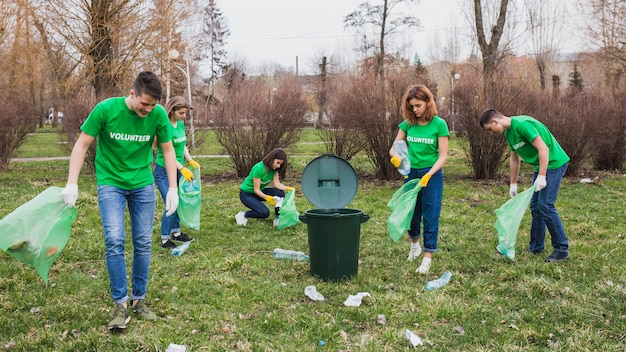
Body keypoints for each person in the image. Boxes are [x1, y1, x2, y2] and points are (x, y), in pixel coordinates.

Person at [60, 71, 180, 330]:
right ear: (132, 93)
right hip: (111, 182)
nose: (148, 109)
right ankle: (121, 304)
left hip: (142, 183)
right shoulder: (106, 110)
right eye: (144, 104)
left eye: (153, 105)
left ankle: (139, 300)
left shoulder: (157, 114)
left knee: (143, 241)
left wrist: (173, 188)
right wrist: (72, 182)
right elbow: (81, 145)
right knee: (114, 239)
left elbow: (168, 150)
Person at [480, 109, 570, 262]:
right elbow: (515, 158)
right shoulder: (509, 133)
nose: (490, 133)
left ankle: (562, 249)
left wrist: (542, 176)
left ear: (495, 121)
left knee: (546, 206)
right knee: (535, 206)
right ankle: (536, 247)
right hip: (541, 166)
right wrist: (513, 183)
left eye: (489, 129)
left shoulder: (522, 125)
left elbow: (543, 148)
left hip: (554, 163)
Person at [389, 84, 449, 274]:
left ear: (428, 102)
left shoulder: (439, 124)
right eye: (412, 106)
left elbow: (443, 155)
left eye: (418, 106)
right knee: (412, 213)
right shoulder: (408, 124)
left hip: (431, 174)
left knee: (430, 215)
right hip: (411, 173)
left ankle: (427, 256)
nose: (414, 110)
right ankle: (414, 245)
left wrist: (429, 175)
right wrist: (395, 157)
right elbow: (394, 147)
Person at [154, 96, 199, 249]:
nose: (184, 116)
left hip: (180, 169)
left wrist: (190, 160)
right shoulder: (164, 126)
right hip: (164, 171)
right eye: (181, 113)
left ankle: (176, 232)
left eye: (185, 113)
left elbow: (182, 144)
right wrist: (182, 168)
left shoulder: (179, 124)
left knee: (179, 201)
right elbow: (169, 153)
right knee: (170, 203)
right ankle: (165, 239)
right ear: (172, 111)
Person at [235, 148, 295, 226]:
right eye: (278, 162)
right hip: (247, 194)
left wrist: (288, 188)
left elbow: (277, 184)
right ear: (272, 159)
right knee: (264, 213)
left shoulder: (274, 170)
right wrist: (267, 197)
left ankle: (277, 218)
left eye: (280, 164)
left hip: (259, 192)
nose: (278, 166)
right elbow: (256, 190)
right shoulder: (259, 168)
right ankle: (243, 215)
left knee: (280, 193)